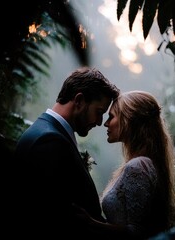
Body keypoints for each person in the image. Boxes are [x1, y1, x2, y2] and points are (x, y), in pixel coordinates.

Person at [14, 67, 120, 238]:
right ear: (79, 101)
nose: (100, 122)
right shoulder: (49, 142)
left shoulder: (48, 133)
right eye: (99, 112)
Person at [75, 90, 175, 239]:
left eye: (111, 117)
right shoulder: (143, 162)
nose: (105, 123)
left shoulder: (138, 166)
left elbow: (138, 233)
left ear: (129, 120)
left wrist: (90, 223)